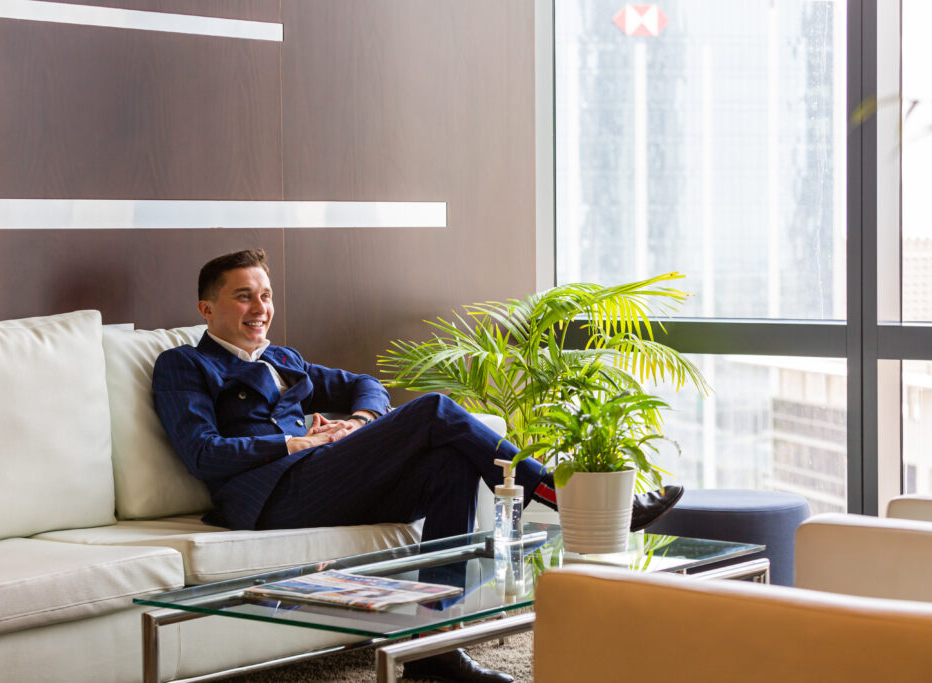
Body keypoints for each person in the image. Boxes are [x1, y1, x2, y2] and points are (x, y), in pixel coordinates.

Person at [153, 249, 684, 683]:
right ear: (207, 309)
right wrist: (293, 443)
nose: (260, 308)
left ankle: (433, 643)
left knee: (450, 463)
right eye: (243, 296)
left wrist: (357, 422)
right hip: (270, 496)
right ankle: (557, 495)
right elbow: (202, 452)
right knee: (433, 409)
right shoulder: (184, 364)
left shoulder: (284, 360)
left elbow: (367, 386)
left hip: (323, 476)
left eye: (266, 295)